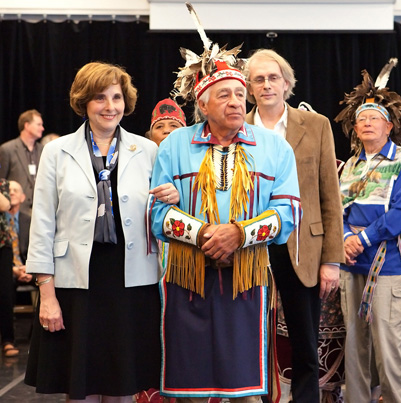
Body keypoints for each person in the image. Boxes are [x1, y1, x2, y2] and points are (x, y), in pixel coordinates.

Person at [150, 13, 300, 403]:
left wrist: (237, 234)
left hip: (246, 281)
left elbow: (287, 214)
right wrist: (202, 235)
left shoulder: (274, 148)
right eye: (225, 95)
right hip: (188, 281)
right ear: (202, 103)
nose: (236, 101)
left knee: (246, 387)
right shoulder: (174, 146)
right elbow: (157, 216)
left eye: (239, 94)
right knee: (190, 387)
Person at [24, 61, 178, 402]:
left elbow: (162, 215)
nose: (110, 107)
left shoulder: (149, 150)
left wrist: (173, 197)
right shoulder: (56, 151)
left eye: (117, 97)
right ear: (83, 102)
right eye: (100, 98)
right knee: (80, 385)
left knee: (125, 383)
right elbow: (43, 223)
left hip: (132, 282)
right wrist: (46, 294)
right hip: (75, 282)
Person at [244, 49, 344, 403]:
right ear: (249, 87)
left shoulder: (316, 125)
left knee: (304, 341)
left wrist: (332, 259)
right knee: (249, 335)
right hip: (250, 245)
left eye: (273, 77)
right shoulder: (237, 126)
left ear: (287, 83)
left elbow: (330, 196)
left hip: (305, 247)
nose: (267, 84)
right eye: (259, 79)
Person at [335, 60, 401, 403]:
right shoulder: (350, 165)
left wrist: (362, 239)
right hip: (350, 264)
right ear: (354, 129)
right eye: (361, 119)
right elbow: (335, 210)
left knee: (390, 349)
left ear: (389, 126)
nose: (367, 123)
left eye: (374, 118)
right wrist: (344, 238)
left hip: (388, 266)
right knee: (354, 348)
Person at [0, 109, 45, 216]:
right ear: (27, 125)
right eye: (39, 124)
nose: (42, 128)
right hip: (15, 213)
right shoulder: (7, 149)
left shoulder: (43, 150)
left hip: (39, 211)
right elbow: (2, 181)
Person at [0, 180, 15, 356]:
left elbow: (5, 205)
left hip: (2, 245)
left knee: (5, 293)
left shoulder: (2, 183)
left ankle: (8, 340)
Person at [7, 180, 31, 283]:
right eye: (8, 190)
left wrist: (29, 269)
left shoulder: (30, 221)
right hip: (6, 271)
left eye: (15, 190)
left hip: (28, 269)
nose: (11, 192)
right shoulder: (1, 222)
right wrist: (12, 270)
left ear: (23, 197)